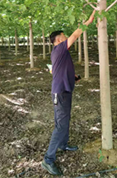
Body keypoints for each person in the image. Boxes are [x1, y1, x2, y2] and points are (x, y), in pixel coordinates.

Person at [42, 10, 95, 176]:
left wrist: (74, 78)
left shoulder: (61, 54)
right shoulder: (59, 49)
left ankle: (63, 145)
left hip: (65, 90)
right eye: (64, 36)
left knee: (65, 121)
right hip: (60, 93)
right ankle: (48, 159)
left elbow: (59, 71)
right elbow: (76, 34)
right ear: (58, 40)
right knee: (60, 125)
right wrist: (90, 19)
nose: (67, 38)